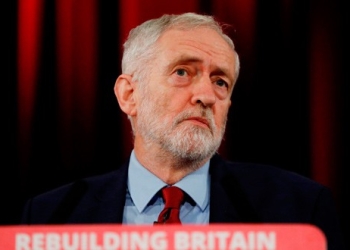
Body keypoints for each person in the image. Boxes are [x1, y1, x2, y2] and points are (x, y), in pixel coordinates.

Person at [21, 12, 344, 250]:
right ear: (129, 95)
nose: (206, 95)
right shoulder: (50, 215)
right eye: (182, 72)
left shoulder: (300, 208)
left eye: (221, 82)